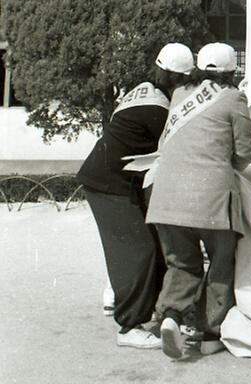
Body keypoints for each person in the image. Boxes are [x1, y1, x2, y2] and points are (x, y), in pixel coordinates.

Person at [146, 42, 251, 360]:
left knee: (182, 264)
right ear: (231, 71)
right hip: (210, 198)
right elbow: (245, 151)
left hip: (165, 197)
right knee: (221, 264)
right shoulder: (234, 97)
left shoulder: (180, 94)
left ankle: (171, 316)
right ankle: (211, 333)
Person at [77, 43, 195, 349]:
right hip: (109, 183)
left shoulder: (142, 89)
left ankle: (144, 308)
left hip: (109, 178)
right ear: (174, 77)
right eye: (183, 80)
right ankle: (129, 327)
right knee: (139, 250)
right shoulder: (157, 109)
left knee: (146, 245)